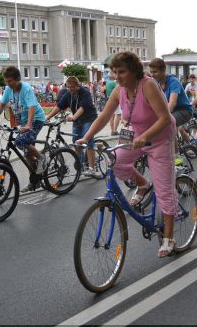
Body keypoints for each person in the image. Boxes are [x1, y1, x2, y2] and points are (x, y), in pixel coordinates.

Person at [75, 51, 177, 258]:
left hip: (159, 138)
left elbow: (165, 118)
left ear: (134, 71)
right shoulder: (119, 90)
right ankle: (143, 184)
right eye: (114, 72)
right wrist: (86, 137)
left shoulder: (148, 85)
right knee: (116, 162)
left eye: (121, 72)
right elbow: (104, 116)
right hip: (136, 135)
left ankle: (168, 237)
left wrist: (145, 136)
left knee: (164, 189)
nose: (116, 77)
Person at [0, 67, 47, 191]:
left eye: (10, 81)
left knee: (20, 141)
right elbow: (1, 104)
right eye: (6, 81)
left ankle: (41, 158)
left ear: (18, 79)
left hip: (36, 119)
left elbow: (32, 106)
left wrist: (28, 125)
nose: (8, 84)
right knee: (28, 154)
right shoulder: (8, 89)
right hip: (24, 122)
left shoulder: (26, 88)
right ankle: (35, 181)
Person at [46, 76, 100, 178]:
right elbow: (59, 106)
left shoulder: (85, 92)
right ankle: (80, 163)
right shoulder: (68, 94)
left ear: (77, 85)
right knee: (76, 141)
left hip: (89, 118)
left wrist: (73, 117)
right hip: (78, 120)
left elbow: (83, 107)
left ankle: (92, 168)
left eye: (72, 87)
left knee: (88, 140)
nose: (70, 89)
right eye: (68, 87)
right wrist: (47, 117)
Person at [149, 58, 195, 149]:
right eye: (151, 72)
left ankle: (175, 154)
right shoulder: (156, 82)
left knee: (167, 124)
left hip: (184, 110)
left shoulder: (173, 81)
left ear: (163, 70)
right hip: (171, 111)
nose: (152, 75)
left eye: (155, 72)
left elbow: (172, 103)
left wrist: (162, 117)